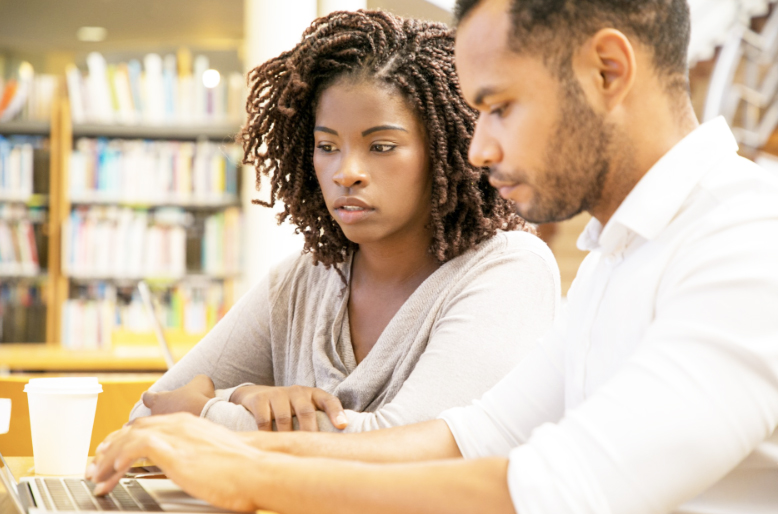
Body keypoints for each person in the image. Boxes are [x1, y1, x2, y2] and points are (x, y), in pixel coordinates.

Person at [88, 0, 778, 512]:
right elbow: (470, 435)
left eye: (500, 107)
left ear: (607, 70)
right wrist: (239, 446)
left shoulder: (749, 239)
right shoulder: (616, 256)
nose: (477, 150)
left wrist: (245, 469)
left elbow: (560, 485)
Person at [127, 9, 560, 434]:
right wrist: (245, 395)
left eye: (382, 146)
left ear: (447, 152)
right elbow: (148, 414)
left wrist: (207, 413)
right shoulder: (303, 281)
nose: (345, 171)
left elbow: (399, 449)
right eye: (327, 145)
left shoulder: (510, 270)